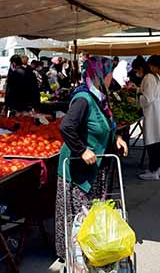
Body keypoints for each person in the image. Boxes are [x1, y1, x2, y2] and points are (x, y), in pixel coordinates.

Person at [55, 55, 128, 261]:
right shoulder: (83, 99)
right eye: (108, 74)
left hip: (95, 167)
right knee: (78, 214)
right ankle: (73, 254)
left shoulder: (99, 98)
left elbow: (102, 126)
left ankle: (92, 249)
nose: (110, 78)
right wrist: (82, 150)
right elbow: (66, 127)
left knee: (92, 212)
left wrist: (117, 139)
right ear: (98, 74)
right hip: (78, 169)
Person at [133, 57, 160, 180]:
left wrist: (138, 95)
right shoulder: (155, 76)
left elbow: (147, 98)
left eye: (137, 70)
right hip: (156, 110)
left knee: (152, 142)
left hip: (152, 111)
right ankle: (156, 168)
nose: (137, 73)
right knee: (156, 140)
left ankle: (153, 170)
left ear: (141, 68)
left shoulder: (148, 78)